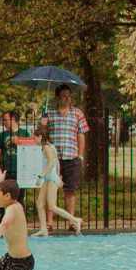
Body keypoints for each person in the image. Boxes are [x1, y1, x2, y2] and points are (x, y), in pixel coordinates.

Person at [42, 87, 91, 221]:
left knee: (70, 190)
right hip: (53, 158)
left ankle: (71, 221)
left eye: (69, 96)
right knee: (51, 190)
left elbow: (81, 135)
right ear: (58, 97)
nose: (67, 99)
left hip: (71, 156)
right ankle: (49, 222)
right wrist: (43, 125)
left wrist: (80, 155)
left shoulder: (77, 113)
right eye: (64, 96)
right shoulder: (49, 113)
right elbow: (42, 134)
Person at [30, 122, 85, 237]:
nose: (33, 139)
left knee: (52, 206)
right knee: (40, 204)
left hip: (50, 179)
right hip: (49, 178)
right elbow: (57, 162)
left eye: (34, 136)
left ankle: (75, 220)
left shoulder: (46, 147)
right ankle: (43, 229)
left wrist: (41, 175)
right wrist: (58, 175)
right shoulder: (48, 146)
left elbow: (50, 163)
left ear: (40, 137)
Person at [0, 110, 30, 184]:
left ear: (13, 119)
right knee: (5, 193)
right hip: (6, 169)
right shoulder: (3, 134)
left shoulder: (24, 132)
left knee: (19, 194)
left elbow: (30, 150)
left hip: (21, 169)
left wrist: (19, 142)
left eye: (5, 120)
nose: (4, 122)